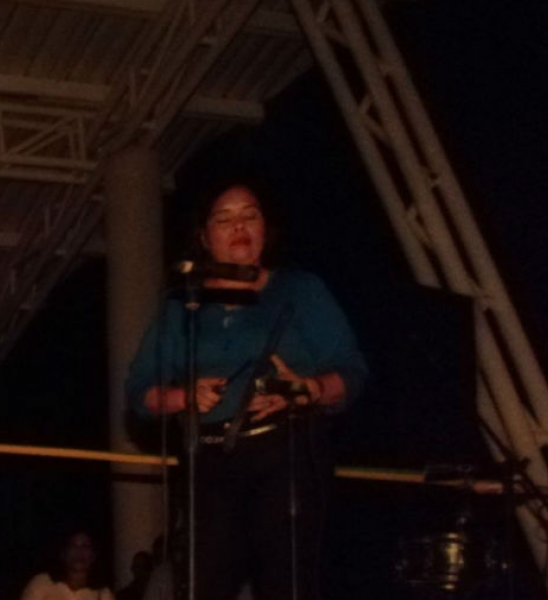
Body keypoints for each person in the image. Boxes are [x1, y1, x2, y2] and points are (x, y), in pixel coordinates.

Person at [125, 182, 367, 600]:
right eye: (224, 218)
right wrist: (184, 397)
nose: (239, 226)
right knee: (206, 586)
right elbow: (139, 391)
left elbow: (353, 372)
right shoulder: (181, 306)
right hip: (209, 463)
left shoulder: (300, 290)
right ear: (204, 237)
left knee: (285, 585)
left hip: (284, 456)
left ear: (265, 228)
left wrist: (308, 388)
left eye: (249, 215)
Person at [19, 530, 114, 600]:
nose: (79, 552)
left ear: (93, 556)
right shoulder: (42, 583)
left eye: (85, 546)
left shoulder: (102, 593)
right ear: (63, 553)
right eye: (73, 546)